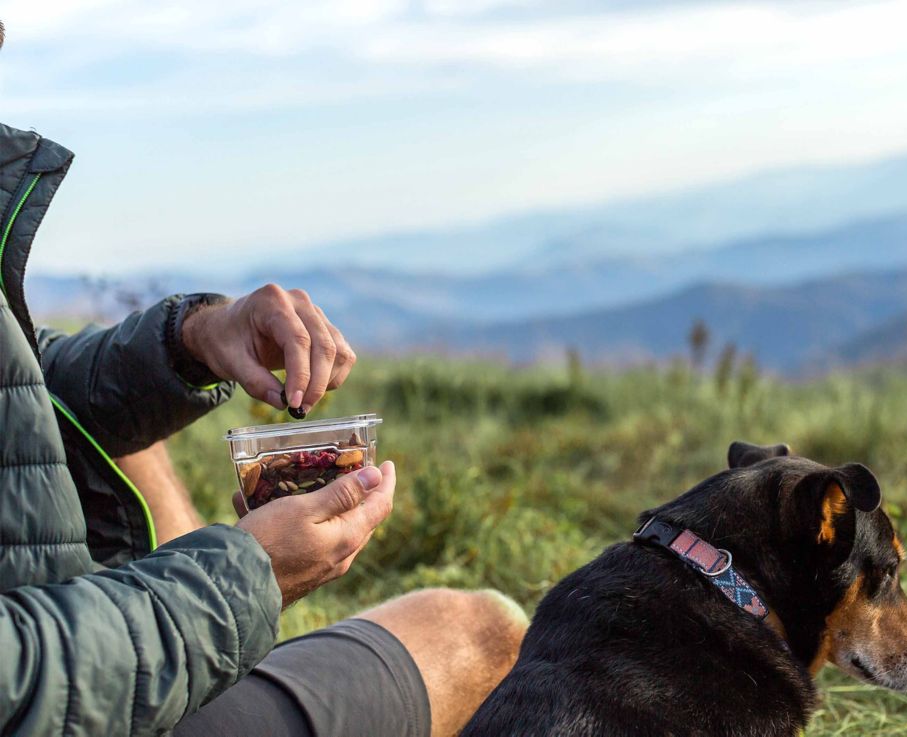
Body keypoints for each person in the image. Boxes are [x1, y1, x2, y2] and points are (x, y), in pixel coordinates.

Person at [0, 26, 527, 736]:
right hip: (80, 697)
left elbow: (23, 392)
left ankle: (231, 665)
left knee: (115, 435)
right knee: (480, 633)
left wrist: (192, 341)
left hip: (102, 647)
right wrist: (248, 578)